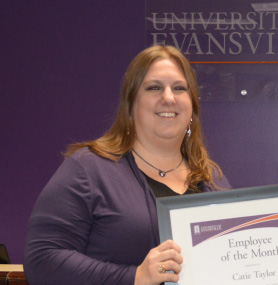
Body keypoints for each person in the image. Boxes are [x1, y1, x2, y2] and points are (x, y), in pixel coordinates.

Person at [24, 45, 231, 284]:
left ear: (192, 107)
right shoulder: (89, 169)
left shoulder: (212, 179)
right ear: (130, 105)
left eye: (179, 88)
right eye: (154, 87)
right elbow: (41, 260)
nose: (168, 97)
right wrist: (135, 276)